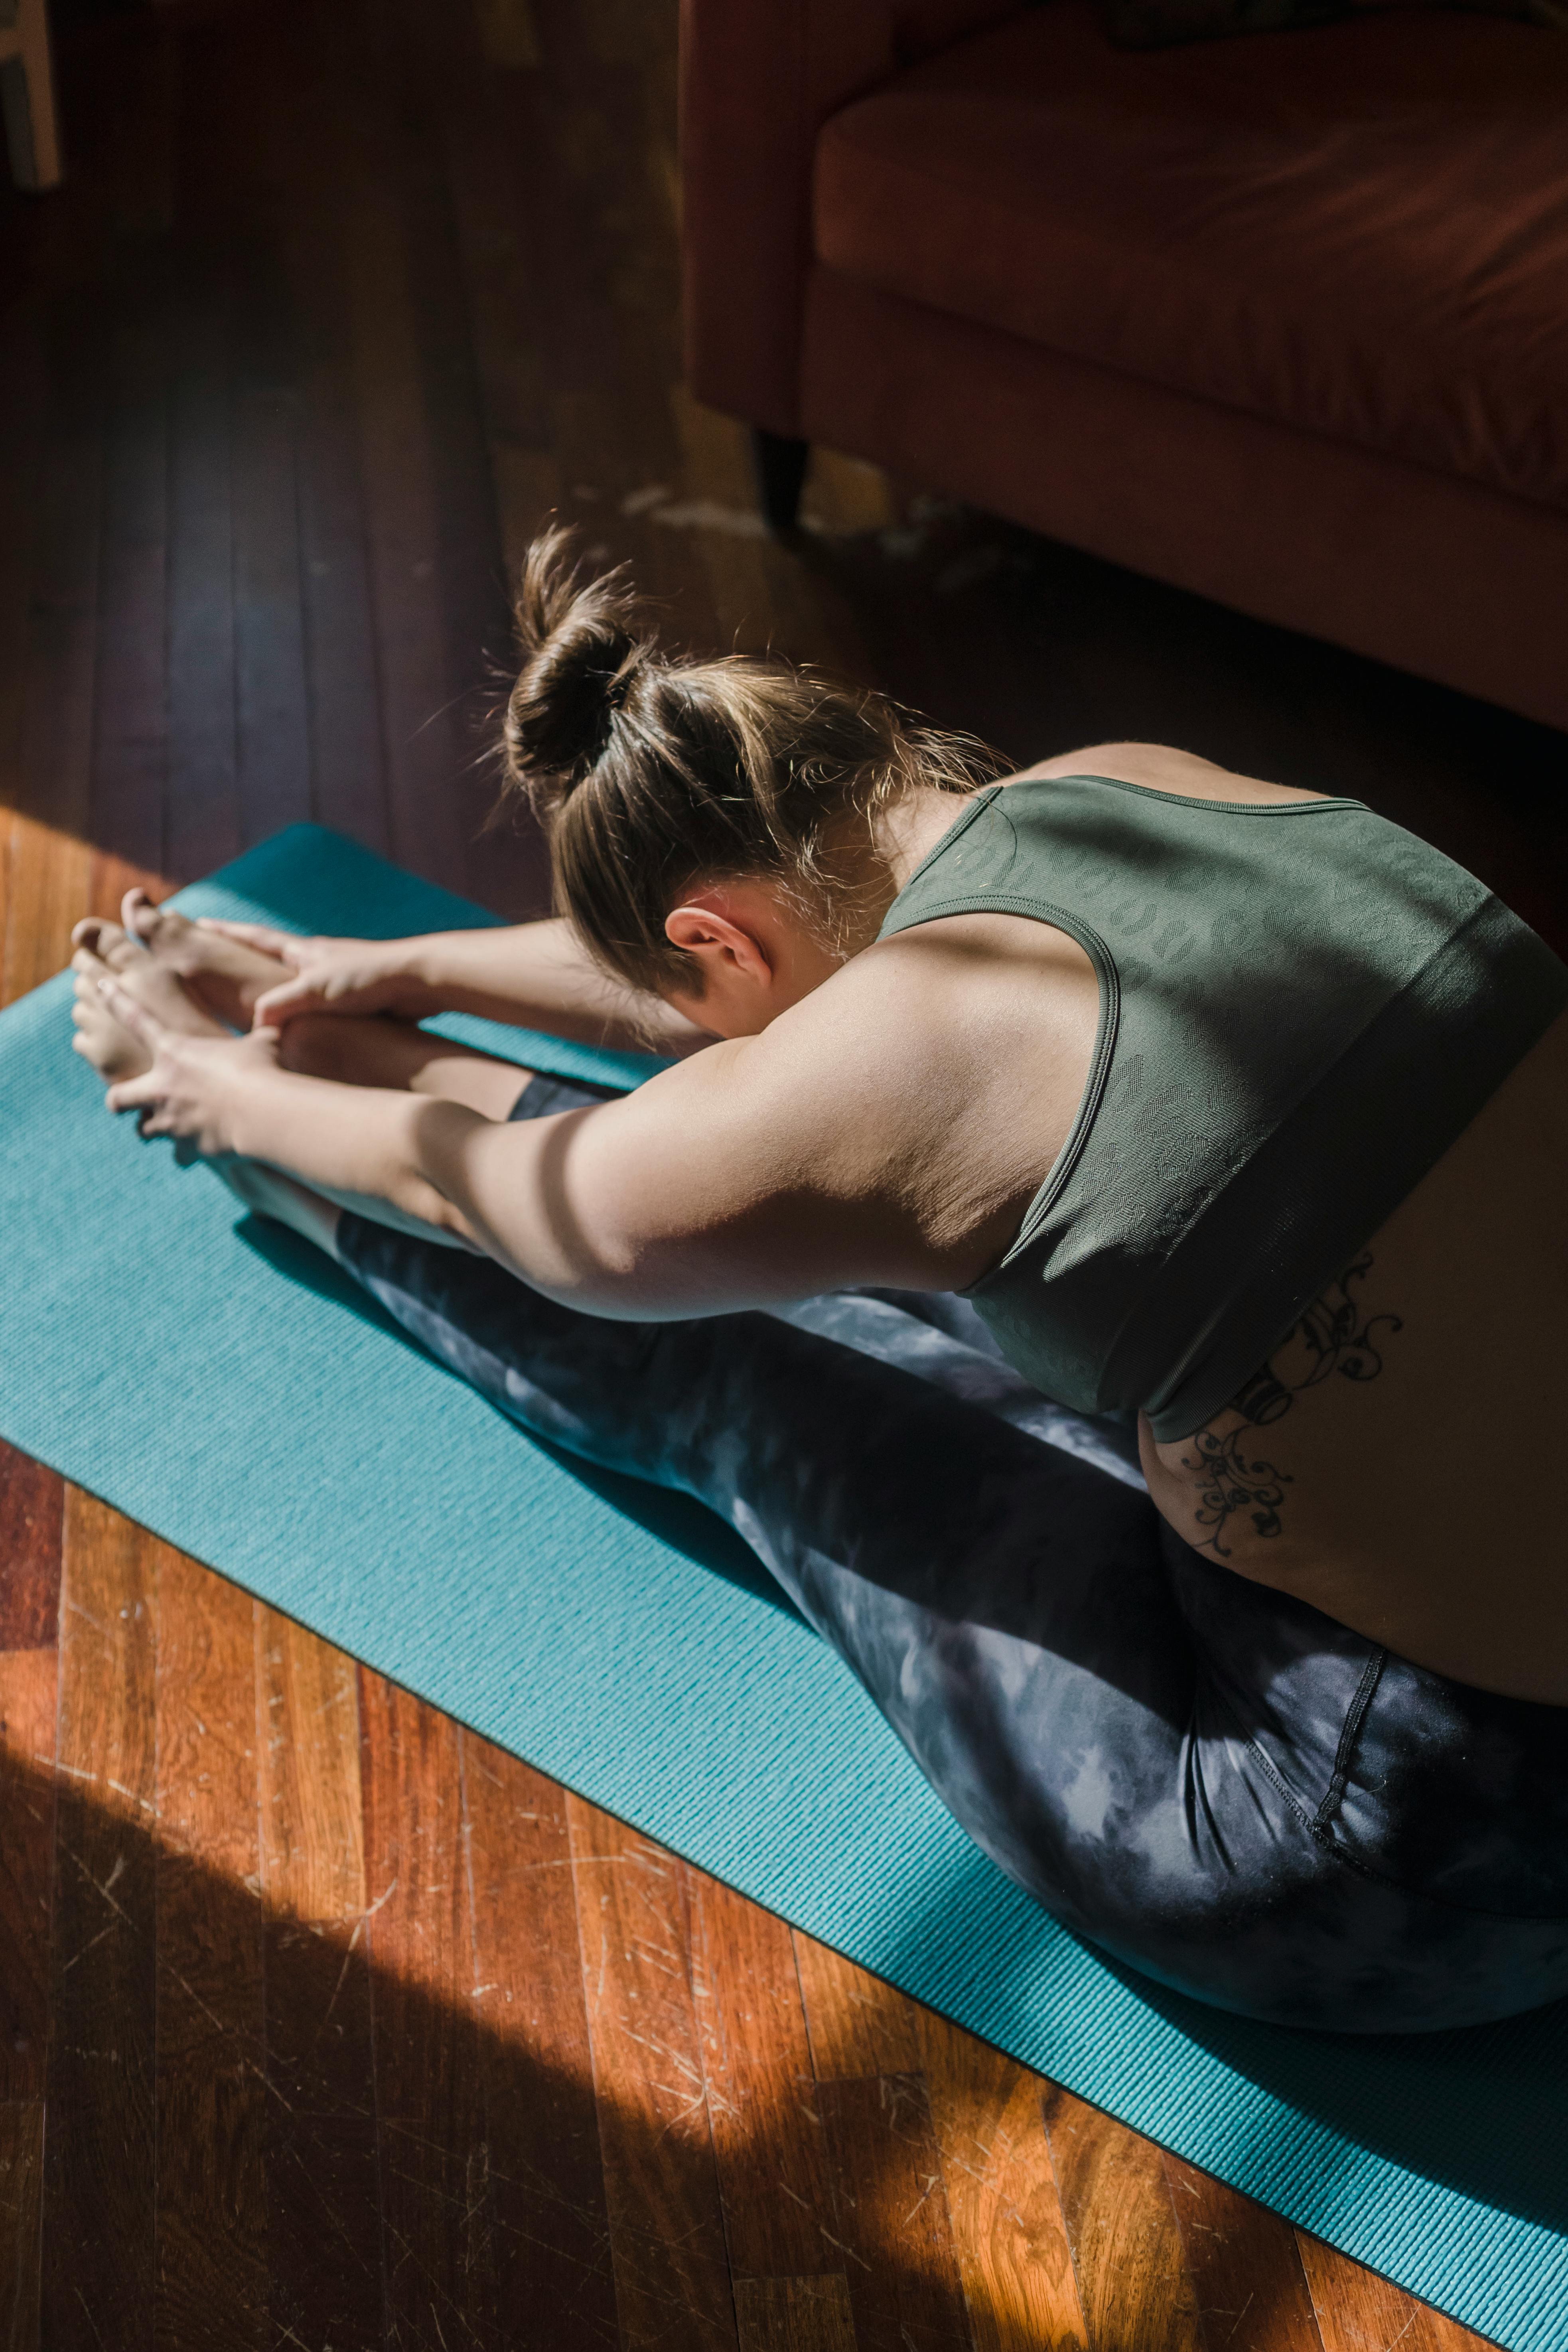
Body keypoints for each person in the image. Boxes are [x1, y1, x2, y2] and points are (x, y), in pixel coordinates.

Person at [69, 528, 1568, 2032]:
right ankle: (365, 1070)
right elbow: (792, 976)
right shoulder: (1119, 791)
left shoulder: (902, 1065)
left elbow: (524, 1207)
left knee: (737, 1360)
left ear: (710, 937)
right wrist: (412, 968)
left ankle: (299, 1170)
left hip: (1430, 1841)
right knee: (858, 1231)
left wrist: (208, 1091)